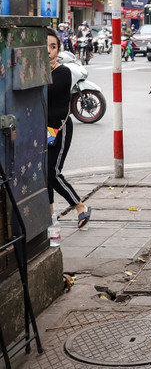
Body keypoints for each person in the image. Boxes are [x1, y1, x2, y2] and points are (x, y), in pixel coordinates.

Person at [45, 29, 92, 228]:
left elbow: (46, 90)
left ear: (58, 51)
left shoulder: (63, 72)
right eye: (44, 46)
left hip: (58, 130)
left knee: (52, 172)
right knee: (43, 174)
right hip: (39, 132)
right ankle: (50, 216)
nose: (48, 51)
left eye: (53, 47)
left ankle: (80, 207)